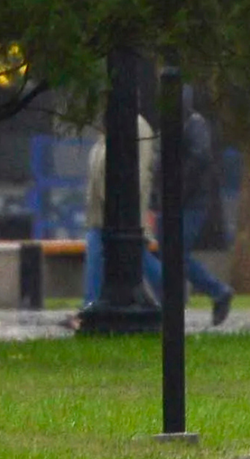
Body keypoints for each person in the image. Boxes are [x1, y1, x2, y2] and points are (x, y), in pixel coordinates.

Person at [79, 115, 163, 309]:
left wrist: (125, 204)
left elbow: (139, 171)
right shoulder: (113, 123)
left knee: (104, 250)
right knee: (135, 256)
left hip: (118, 211)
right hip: (103, 210)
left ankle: (89, 306)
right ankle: (89, 305)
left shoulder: (136, 126)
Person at [166, 86, 234, 325]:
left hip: (191, 200)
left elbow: (199, 159)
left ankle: (217, 290)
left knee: (174, 253)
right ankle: (213, 291)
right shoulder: (182, 126)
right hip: (184, 199)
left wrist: (180, 189)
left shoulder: (194, 125)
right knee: (172, 252)